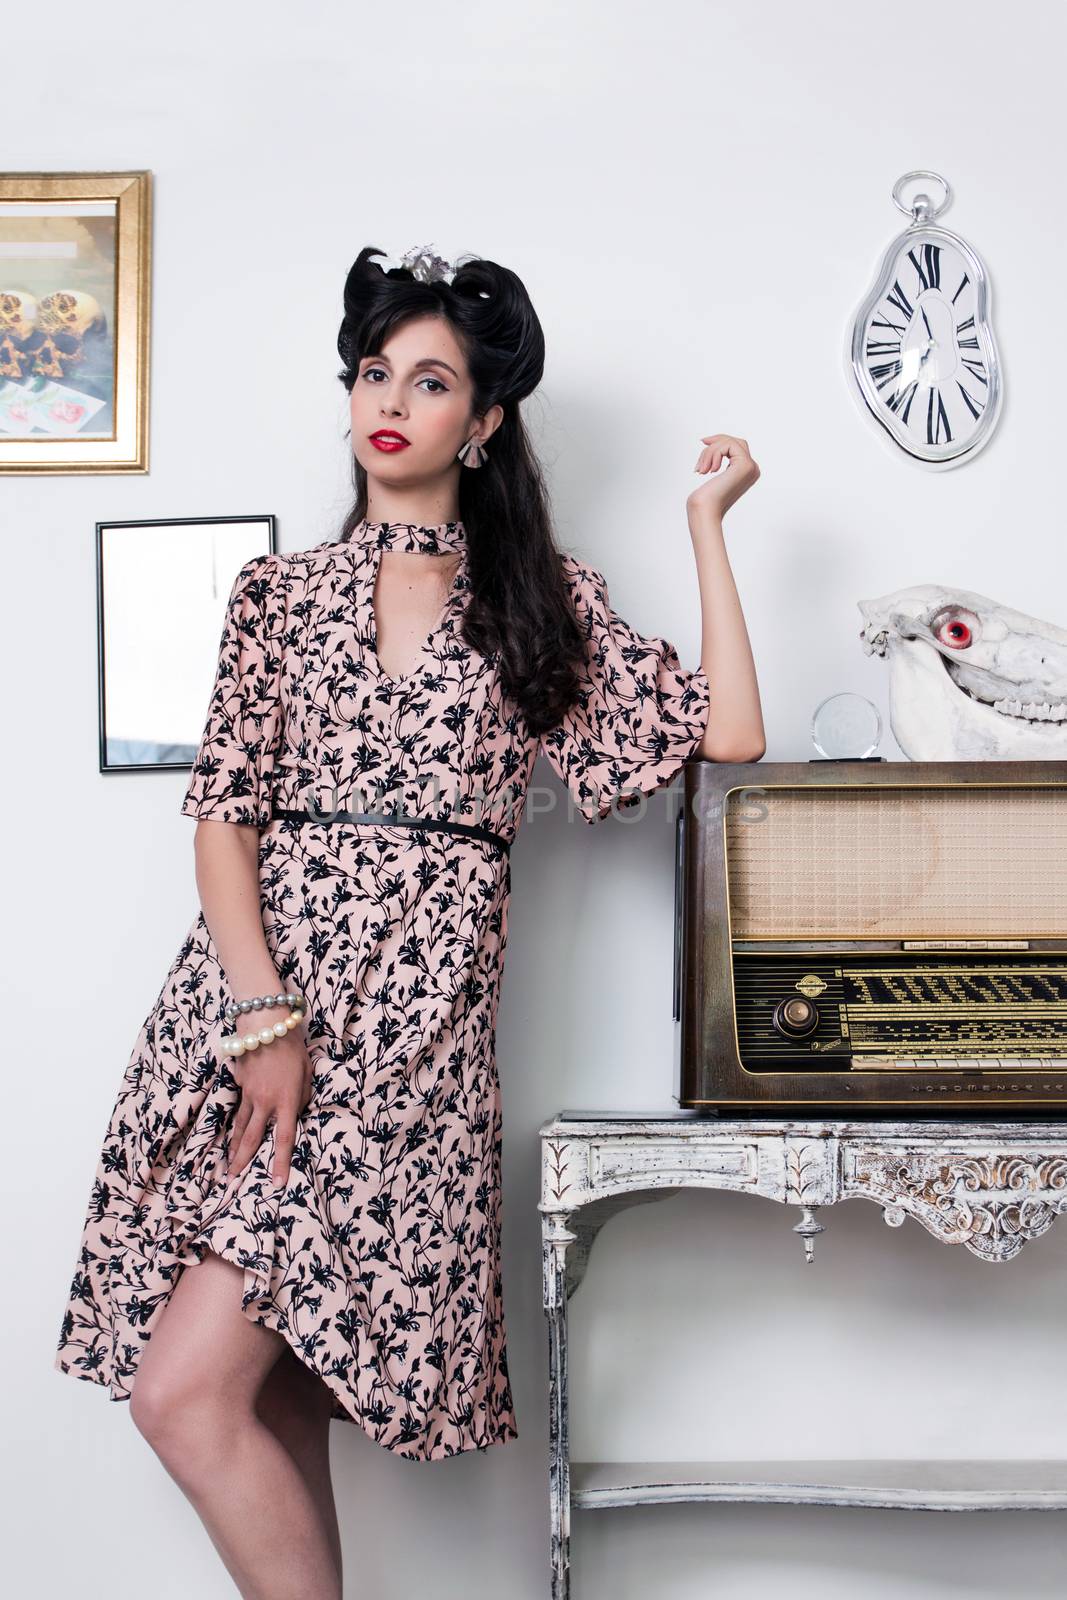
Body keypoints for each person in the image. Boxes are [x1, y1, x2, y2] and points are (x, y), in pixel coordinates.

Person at [54, 243, 765, 1600]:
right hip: (257, 1016)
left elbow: (726, 732)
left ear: (484, 423)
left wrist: (708, 529)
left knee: (239, 1399)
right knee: (203, 1397)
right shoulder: (279, 598)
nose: (388, 400)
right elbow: (225, 817)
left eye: (429, 381)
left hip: (413, 1056)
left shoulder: (535, 606)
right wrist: (262, 1017)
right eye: (374, 372)